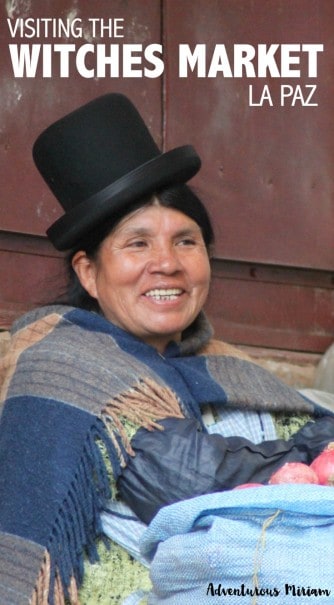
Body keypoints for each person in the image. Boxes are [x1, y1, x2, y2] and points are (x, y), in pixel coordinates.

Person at [0, 93, 333, 605]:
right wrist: (308, 462)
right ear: (89, 272)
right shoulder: (63, 363)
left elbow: (311, 428)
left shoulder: (218, 361)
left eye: (186, 241)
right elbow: (182, 480)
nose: (167, 264)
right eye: (138, 244)